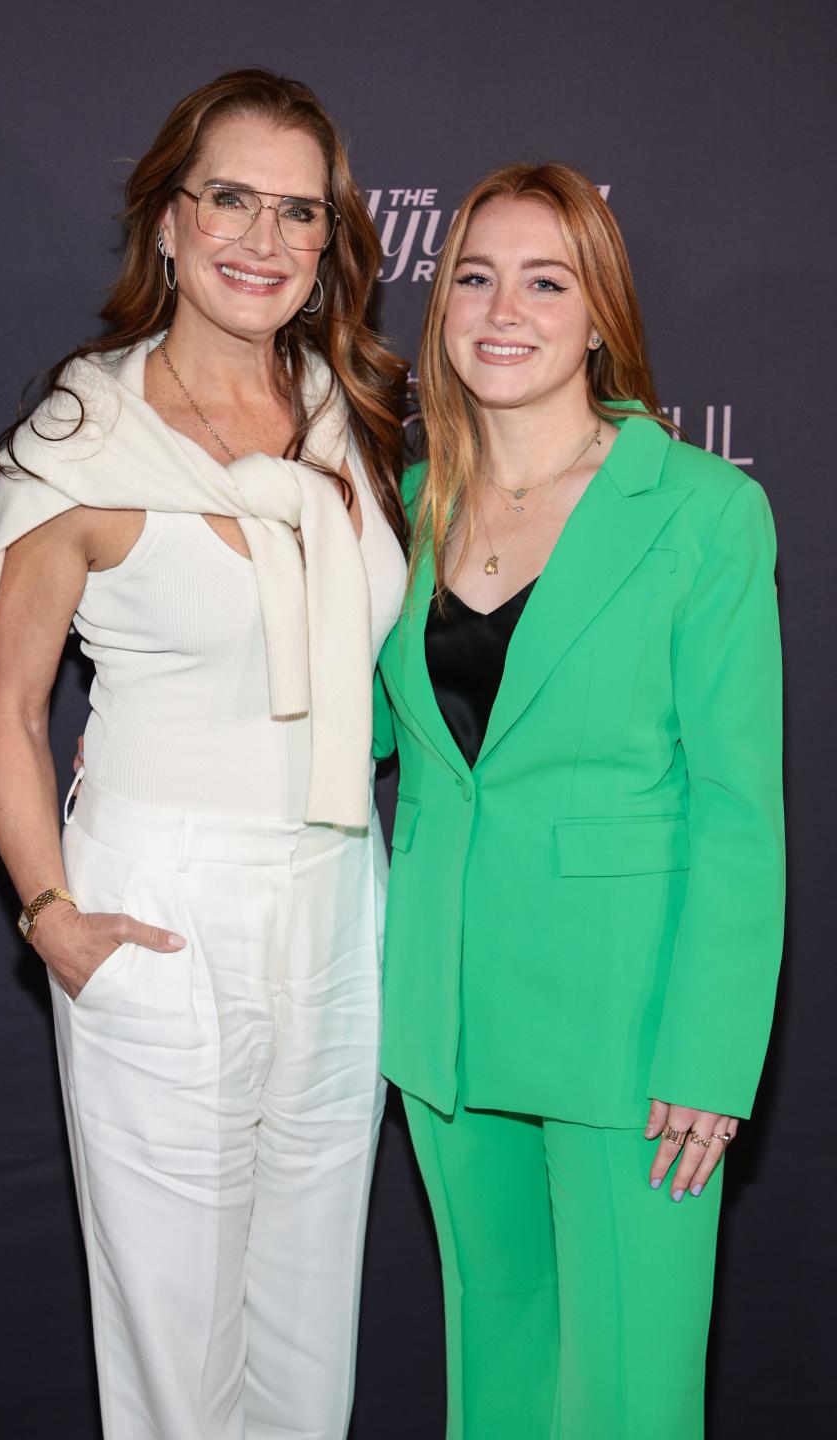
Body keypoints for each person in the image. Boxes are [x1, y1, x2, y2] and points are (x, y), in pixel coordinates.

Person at [0, 69, 408, 1440]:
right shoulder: (82, 437)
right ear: (168, 218)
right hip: (159, 898)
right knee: (173, 1328)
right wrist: (53, 915)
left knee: (305, 1308)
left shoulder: (352, 418)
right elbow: (10, 705)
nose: (263, 239)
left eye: (299, 211)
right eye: (231, 198)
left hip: (338, 894)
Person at [372, 162, 784, 1439]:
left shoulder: (705, 510)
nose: (506, 308)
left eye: (545, 280)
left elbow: (736, 805)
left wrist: (709, 1057)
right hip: (446, 1016)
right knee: (491, 1376)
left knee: (628, 1400)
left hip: (629, 1030)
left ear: (599, 312)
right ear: (440, 312)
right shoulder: (407, 504)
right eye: (475, 278)